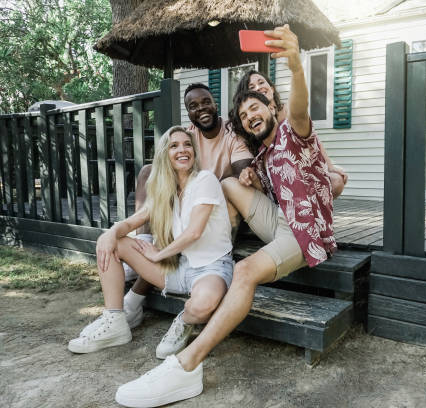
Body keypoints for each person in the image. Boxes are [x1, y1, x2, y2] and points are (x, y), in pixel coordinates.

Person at [115, 24, 336, 407]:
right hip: (279, 221)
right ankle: (209, 251)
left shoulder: (292, 132)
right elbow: (250, 177)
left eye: (257, 108)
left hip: (304, 233)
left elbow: (299, 107)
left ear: (272, 108)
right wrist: (249, 175)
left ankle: (187, 365)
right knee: (230, 183)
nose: (251, 116)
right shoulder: (264, 155)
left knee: (246, 270)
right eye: (244, 114)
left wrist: (296, 66)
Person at [68, 126, 234, 370]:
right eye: (174, 145)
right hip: (178, 268)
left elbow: (194, 232)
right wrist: (111, 233)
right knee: (114, 244)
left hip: (211, 268)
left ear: (194, 152)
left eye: (187, 144)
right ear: (164, 154)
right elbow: (136, 220)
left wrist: (159, 254)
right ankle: (115, 321)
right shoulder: (165, 189)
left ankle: (183, 322)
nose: (182, 150)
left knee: (203, 304)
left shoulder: (204, 180)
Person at [121, 83, 253, 332]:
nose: (201, 109)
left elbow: (241, 169)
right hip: (188, 203)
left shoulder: (232, 135)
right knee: (149, 171)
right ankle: (145, 241)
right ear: (188, 112)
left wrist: (223, 177)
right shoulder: (189, 135)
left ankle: (136, 297)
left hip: (220, 212)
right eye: (193, 106)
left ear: (215, 104)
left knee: (226, 184)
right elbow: (171, 166)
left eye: (206, 102)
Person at [233, 69, 348, 198]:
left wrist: (329, 166)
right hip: (273, 177)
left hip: (302, 169)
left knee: (336, 181)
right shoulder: (251, 122)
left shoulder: (288, 111)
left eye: (261, 82)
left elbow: (313, 140)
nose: (259, 88)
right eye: (252, 87)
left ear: (272, 88)